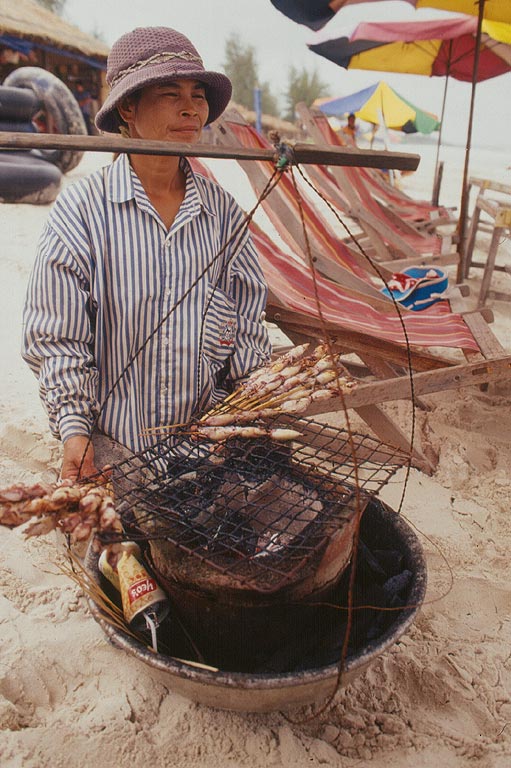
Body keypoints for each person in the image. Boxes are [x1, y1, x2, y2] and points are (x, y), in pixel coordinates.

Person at [22, 26, 271, 482]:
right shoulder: (83, 211)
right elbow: (58, 341)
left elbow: (248, 331)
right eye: (169, 92)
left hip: (204, 446)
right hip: (115, 448)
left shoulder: (224, 216)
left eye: (198, 94)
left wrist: (253, 409)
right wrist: (75, 431)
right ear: (128, 108)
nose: (190, 107)